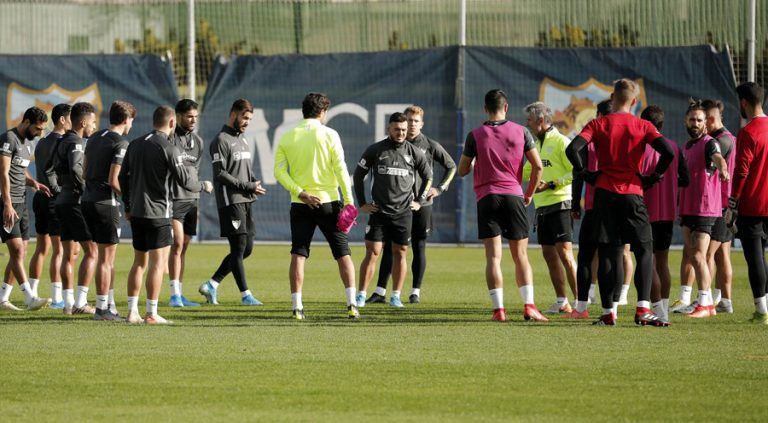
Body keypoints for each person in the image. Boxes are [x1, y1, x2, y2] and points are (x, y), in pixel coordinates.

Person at [566, 78, 674, 327]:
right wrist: (654, 177)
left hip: (604, 195)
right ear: (635, 101)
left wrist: (586, 174)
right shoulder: (643, 125)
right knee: (644, 251)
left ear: (613, 97)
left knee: (608, 253)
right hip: (633, 193)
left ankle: (608, 313)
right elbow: (667, 151)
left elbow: (572, 150)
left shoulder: (598, 123)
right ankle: (642, 310)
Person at [457, 89, 548, 322]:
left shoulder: (475, 135)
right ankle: (529, 306)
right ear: (505, 107)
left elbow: (462, 170)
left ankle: (499, 310)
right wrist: (528, 194)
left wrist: (479, 157)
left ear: (485, 108)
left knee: (493, 258)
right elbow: (538, 167)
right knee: (521, 256)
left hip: (487, 197)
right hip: (514, 196)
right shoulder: (522, 131)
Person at [119, 105, 212, 324]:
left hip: (138, 213)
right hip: (159, 212)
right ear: (172, 122)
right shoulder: (169, 147)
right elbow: (186, 181)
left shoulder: (135, 144)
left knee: (138, 263)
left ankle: (132, 312)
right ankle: (151, 313)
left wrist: (128, 205)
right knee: (158, 264)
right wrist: (204, 185)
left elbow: (122, 177)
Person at [274, 92, 359, 319]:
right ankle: (352, 304)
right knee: (343, 253)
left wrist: (300, 192)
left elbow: (279, 172)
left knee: (298, 254)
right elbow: (341, 169)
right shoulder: (330, 134)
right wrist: (349, 201)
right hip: (329, 202)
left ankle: (297, 307)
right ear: (322, 112)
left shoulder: (287, 135)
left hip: (300, 204)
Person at [367, 105, 456, 304]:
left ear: (422, 124)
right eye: (409, 121)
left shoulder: (430, 145)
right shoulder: (394, 144)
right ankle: (380, 291)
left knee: (418, 246)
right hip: (397, 206)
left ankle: (415, 291)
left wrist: (439, 189)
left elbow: (451, 166)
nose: (412, 125)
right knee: (390, 247)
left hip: (421, 205)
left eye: (416, 121)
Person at [353, 112, 432, 308]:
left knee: (401, 252)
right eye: (397, 129)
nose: (401, 133)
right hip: (378, 212)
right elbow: (357, 176)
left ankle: (395, 296)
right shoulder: (375, 150)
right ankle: (361, 295)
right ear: (389, 129)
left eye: (404, 130)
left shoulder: (414, 152)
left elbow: (428, 177)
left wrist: (420, 201)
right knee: (373, 252)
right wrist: (362, 203)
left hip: (403, 213)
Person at [199, 99, 266, 306]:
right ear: (233, 114)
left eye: (250, 119)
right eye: (244, 118)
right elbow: (220, 174)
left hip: (246, 199)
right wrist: (248, 186)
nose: (247, 122)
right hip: (231, 201)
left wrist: (253, 181)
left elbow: (244, 169)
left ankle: (212, 284)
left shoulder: (242, 139)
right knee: (238, 248)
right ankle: (246, 295)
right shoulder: (221, 140)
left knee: (247, 249)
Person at [521, 101, 577, 314]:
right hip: (541, 206)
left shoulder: (562, 142)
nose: (527, 123)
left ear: (541, 120)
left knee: (565, 253)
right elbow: (527, 172)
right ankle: (562, 301)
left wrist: (553, 184)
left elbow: (575, 171)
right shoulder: (535, 144)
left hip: (561, 203)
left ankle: (580, 303)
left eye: (529, 120)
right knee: (548, 255)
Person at [81, 101, 136, 320]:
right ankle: (102, 309)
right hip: (106, 203)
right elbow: (114, 180)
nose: (132, 123)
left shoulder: (94, 137)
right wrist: (130, 199)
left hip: (87, 201)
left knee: (103, 257)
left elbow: (84, 172)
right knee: (106, 259)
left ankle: (109, 305)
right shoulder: (121, 142)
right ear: (126, 120)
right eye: (131, 119)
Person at [677, 99, 729, 319]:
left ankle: (707, 303)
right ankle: (700, 301)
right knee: (691, 254)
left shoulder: (710, 143)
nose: (696, 123)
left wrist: (723, 168)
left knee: (699, 255)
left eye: (699, 120)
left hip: (705, 209)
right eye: (692, 119)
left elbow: (718, 157)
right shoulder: (686, 147)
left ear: (705, 123)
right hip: (688, 208)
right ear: (685, 121)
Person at [46, 101, 98, 315]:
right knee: (92, 252)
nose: (94, 127)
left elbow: (47, 168)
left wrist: (57, 189)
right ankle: (81, 302)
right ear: (83, 122)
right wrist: (87, 189)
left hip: (61, 201)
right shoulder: (76, 142)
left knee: (68, 254)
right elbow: (77, 170)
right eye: (93, 122)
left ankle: (68, 304)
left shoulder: (60, 140)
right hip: (75, 201)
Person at [0, 106, 52, 311]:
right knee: (17, 250)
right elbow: (3, 172)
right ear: (27, 122)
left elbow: (19, 170)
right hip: (7, 203)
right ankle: (29, 297)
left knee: (20, 253)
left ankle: (2, 298)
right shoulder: (8, 139)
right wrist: (7, 204)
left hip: (21, 202)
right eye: (38, 128)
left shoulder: (28, 143)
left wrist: (34, 183)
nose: (40, 133)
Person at [638, 105, 686, 322]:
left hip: (644, 212)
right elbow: (685, 180)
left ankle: (657, 310)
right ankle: (663, 308)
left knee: (647, 261)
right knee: (662, 262)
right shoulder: (674, 148)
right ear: (662, 125)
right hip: (667, 213)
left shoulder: (640, 148)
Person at [728, 82, 768, 324]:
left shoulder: (748, 132)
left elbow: (741, 171)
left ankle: (761, 309)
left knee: (755, 257)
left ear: (743, 103)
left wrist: (733, 202)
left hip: (753, 204)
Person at [28, 103, 70, 309]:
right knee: (59, 250)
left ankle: (32, 294)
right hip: (55, 197)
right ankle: (57, 298)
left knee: (41, 248)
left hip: (39, 197)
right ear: (62, 119)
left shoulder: (42, 141)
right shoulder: (64, 142)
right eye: (71, 117)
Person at [168, 99, 204, 308]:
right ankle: (173, 295)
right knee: (177, 244)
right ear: (178, 116)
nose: (192, 120)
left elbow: (193, 172)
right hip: (174, 199)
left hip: (192, 200)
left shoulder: (197, 142)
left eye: (195, 117)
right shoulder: (170, 139)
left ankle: (179, 293)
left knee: (184, 248)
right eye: (189, 116)